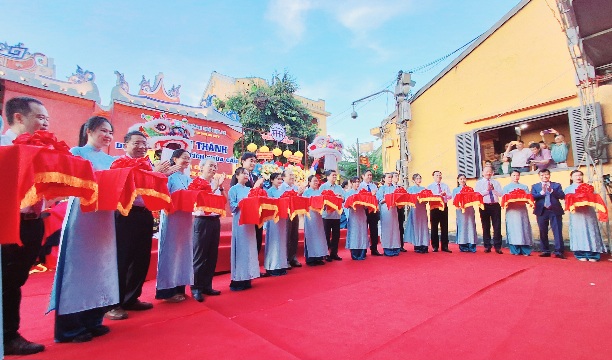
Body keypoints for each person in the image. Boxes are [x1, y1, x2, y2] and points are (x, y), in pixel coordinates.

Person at [49, 116, 117, 344]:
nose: (107, 136)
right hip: (81, 217)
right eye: (103, 131)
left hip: (104, 219)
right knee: (77, 270)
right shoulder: (76, 153)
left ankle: (93, 319)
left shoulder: (111, 160)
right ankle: (69, 327)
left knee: (100, 270)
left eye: (110, 132)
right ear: (89, 130)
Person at [106, 131, 179, 320]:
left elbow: (154, 189)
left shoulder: (148, 165)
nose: (141, 147)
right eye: (136, 143)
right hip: (124, 214)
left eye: (144, 143)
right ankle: (113, 303)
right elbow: (126, 184)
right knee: (121, 259)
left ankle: (131, 298)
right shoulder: (118, 163)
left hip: (144, 215)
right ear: (125, 145)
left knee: (140, 259)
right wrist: (154, 174)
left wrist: (161, 177)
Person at [1, 97, 48, 355]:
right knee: (5, 281)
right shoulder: (4, 147)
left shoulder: (42, 150)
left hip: (32, 222)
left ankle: (9, 333)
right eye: (40, 117)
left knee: (15, 280)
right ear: (19, 117)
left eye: (47, 119)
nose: (44, 123)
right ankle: (8, 336)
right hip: (8, 224)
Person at [155, 149, 194, 303]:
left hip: (185, 219)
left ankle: (180, 286)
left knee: (183, 253)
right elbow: (163, 194)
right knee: (170, 252)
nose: (186, 160)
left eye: (188, 158)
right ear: (175, 159)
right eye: (184, 158)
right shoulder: (169, 176)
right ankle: (166, 290)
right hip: (172, 218)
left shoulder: (188, 178)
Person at [190, 157, 226, 302]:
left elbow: (223, 201)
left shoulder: (216, 183)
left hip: (214, 221)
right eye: (210, 166)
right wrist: (215, 188)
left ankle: (207, 285)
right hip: (202, 221)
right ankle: (196, 288)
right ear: (202, 168)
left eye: (215, 166)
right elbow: (199, 200)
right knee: (200, 255)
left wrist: (221, 187)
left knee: (212, 255)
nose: (213, 168)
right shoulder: (197, 182)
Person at [228, 167, 260, 290]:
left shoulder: (250, 190)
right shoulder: (233, 189)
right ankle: (238, 279)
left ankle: (248, 276)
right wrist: (243, 203)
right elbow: (232, 207)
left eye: (247, 174)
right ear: (237, 176)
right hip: (240, 221)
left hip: (250, 222)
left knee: (249, 249)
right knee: (240, 248)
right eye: (243, 173)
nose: (246, 176)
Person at [564, 170, 607, 262]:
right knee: (579, 233)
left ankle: (593, 254)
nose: (578, 177)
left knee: (591, 232)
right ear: (571, 177)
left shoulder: (588, 187)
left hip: (589, 213)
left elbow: (595, 198)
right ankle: (580, 254)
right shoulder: (568, 189)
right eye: (575, 175)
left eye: (580, 175)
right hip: (576, 215)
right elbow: (568, 202)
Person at [230, 152, 265, 254]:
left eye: (255, 161)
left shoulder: (255, 177)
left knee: (257, 238)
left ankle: (254, 266)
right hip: (245, 215)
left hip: (257, 213)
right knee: (247, 240)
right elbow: (236, 195)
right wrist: (256, 187)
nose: (253, 163)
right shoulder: (237, 176)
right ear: (243, 161)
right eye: (251, 161)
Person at [531, 168, 566, 259]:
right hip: (541, 210)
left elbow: (562, 196)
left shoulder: (556, 185)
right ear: (539, 176)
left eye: (546, 174)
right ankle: (545, 251)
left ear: (549, 175)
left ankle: (559, 251)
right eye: (542, 175)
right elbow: (533, 197)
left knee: (557, 230)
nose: (544, 176)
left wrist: (551, 191)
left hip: (555, 210)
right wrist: (542, 192)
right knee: (543, 231)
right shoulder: (535, 186)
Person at [264, 173, 289, 276]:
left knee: (281, 242)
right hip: (273, 219)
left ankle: (281, 265)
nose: (280, 181)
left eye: (281, 179)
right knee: (274, 243)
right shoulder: (269, 192)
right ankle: (272, 267)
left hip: (282, 220)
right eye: (277, 179)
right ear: (271, 180)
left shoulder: (282, 191)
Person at [503, 170, 533, 256]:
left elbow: (529, 198)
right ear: (510, 176)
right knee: (513, 229)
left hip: (522, 210)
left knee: (524, 228)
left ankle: (525, 250)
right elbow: (505, 199)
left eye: (517, 175)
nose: (516, 177)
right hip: (512, 211)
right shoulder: (506, 187)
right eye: (514, 175)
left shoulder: (524, 187)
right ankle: (514, 250)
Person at [474, 166, 504, 254]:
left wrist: (493, 189)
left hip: (495, 205)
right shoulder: (479, 183)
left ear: (493, 173)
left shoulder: (496, 182)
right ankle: (487, 246)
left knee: (497, 226)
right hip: (484, 205)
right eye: (486, 172)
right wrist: (487, 190)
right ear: (483, 173)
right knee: (486, 226)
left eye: (490, 171)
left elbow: (500, 194)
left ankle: (498, 246)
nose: (488, 173)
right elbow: (477, 195)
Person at [302, 175, 329, 265]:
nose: (316, 182)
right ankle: (310, 259)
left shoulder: (319, 193)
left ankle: (319, 257)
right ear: (309, 182)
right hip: (310, 217)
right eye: (314, 181)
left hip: (318, 218)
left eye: (317, 181)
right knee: (310, 237)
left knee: (319, 236)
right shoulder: (306, 193)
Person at [279, 169, 304, 267]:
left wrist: (300, 194)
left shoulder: (295, 187)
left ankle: (293, 257)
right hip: (286, 214)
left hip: (295, 213)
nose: (292, 177)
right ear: (284, 177)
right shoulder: (281, 187)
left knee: (294, 235)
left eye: (293, 175)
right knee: (287, 235)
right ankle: (285, 259)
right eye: (290, 175)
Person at [319, 170, 344, 261]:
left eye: (335, 175)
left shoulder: (339, 187)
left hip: (336, 214)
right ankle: (325, 253)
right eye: (333, 175)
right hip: (326, 215)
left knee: (336, 235)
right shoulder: (323, 187)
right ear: (327, 177)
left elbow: (343, 198)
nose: (334, 177)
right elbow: (320, 199)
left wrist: (340, 197)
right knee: (326, 235)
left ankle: (334, 253)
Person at [376, 173, 401, 256]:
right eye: (388, 177)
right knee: (387, 229)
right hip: (386, 210)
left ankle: (396, 247)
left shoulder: (395, 188)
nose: (390, 179)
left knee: (395, 229)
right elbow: (379, 200)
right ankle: (387, 248)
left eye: (391, 177)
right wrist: (388, 198)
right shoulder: (382, 188)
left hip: (394, 210)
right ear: (384, 179)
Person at [426, 171, 452, 252]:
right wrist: (438, 195)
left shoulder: (445, 186)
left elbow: (450, 196)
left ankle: (445, 246)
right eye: (437, 175)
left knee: (444, 227)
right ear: (433, 176)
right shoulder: (429, 187)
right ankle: (435, 246)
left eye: (440, 175)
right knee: (434, 227)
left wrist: (445, 195)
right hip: (434, 208)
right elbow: (428, 197)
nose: (439, 176)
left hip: (444, 207)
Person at [451, 174, 477, 252]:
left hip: (469, 209)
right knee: (462, 226)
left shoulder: (470, 189)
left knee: (471, 226)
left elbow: (474, 198)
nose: (462, 180)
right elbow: (454, 200)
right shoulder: (455, 190)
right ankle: (463, 245)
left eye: (464, 179)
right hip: (460, 210)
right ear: (458, 180)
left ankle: (472, 245)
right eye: (461, 179)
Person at [358, 170, 382, 256]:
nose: (370, 177)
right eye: (368, 175)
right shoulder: (360, 186)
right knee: (363, 229)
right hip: (363, 210)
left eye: (371, 175)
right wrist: (370, 194)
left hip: (373, 210)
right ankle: (363, 249)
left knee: (374, 230)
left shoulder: (374, 186)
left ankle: (374, 248)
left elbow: (378, 197)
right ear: (363, 176)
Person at [404, 174, 430, 253]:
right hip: (415, 209)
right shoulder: (410, 189)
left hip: (422, 209)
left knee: (424, 226)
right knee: (416, 227)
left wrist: (424, 200)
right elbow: (407, 199)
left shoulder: (424, 189)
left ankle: (424, 244)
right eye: (417, 178)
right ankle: (417, 245)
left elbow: (427, 200)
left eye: (420, 178)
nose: (419, 180)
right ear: (414, 180)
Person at [345, 179, 368, 260]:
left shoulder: (362, 193)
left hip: (362, 215)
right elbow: (346, 205)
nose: (357, 184)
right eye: (355, 182)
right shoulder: (348, 193)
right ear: (351, 183)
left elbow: (366, 205)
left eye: (358, 182)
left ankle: (362, 253)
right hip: (353, 216)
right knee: (354, 234)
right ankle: (354, 253)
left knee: (362, 233)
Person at [392, 172, 407, 252]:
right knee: (394, 227)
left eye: (398, 176)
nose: (397, 177)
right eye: (395, 176)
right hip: (393, 209)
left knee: (400, 227)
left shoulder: (400, 187)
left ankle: (401, 245)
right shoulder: (391, 187)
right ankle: (394, 245)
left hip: (400, 209)